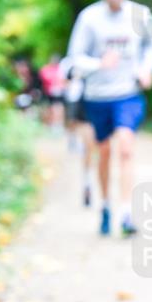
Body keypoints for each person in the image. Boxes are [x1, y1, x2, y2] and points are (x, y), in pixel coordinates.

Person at [66, 0, 152, 236]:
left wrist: (146, 69)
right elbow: (75, 59)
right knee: (104, 152)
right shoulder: (89, 18)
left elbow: (151, 45)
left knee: (126, 147)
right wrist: (98, 64)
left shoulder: (139, 14)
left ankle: (127, 212)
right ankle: (107, 205)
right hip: (97, 96)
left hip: (128, 94)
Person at [58, 55, 96, 208]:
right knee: (88, 145)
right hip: (78, 101)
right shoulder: (69, 62)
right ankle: (87, 181)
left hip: (98, 101)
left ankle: (91, 180)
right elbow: (63, 80)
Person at [38, 53, 66, 130]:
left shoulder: (60, 69)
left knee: (58, 107)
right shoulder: (46, 69)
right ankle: (51, 124)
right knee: (50, 108)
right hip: (47, 92)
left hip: (58, 92)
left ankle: (58, 124)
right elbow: (43, 79)